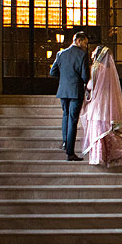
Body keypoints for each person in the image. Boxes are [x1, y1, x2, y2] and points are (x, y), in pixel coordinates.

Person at [80, 44, 122, 167]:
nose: (92, 53)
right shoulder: (109, 70)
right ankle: (114, 154)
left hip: (98, 101)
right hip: (108, 101)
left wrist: (86, 88)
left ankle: (98, 157)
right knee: (106, 125)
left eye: (94, 52)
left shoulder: (95, 67)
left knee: (97, 125)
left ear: (98, 55)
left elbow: (91, 85)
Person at [50, 31, 90, 161]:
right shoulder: (82, 55)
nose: (85, 46)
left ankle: (65, 143)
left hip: (63, 90)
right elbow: (85, 77)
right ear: (78, 40)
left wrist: (64, 79)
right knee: (72, 120)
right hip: (75, 90)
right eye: (85, 43)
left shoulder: (60, 53)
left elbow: (53, 72)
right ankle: (70, 153)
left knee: (66, 116)